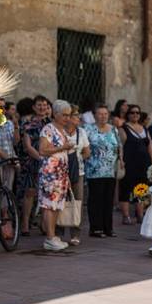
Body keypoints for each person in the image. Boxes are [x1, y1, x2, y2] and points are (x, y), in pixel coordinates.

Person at [37, 100, 75, 252]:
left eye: (69, 115)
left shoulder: (63, 130)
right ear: (55, 114)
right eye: (64, 115)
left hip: (61, 172)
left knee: (57, 205)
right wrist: (63, 147)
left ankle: (52, 237)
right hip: (50, 172)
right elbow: (42, 150)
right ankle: (50, 237)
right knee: (49, 205)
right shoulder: (48, 129)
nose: (67, 118)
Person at [84, 104, 122, 238]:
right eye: (100, 114)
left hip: (110, 170)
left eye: (105, 114)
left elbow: (119, 146)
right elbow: (84, 147)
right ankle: (95, 228)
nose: (103, 116)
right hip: (94, 169)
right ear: (94, 116)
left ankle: (108, 228)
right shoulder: (88, 129)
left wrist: (121, 161)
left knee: (108, 200)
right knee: (96, 199)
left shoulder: (113, 129)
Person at [18, 96, 51, 236]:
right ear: (34, 107)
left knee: (45, 193)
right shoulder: (28, 124)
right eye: (39, 105)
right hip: (32, 161)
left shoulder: (51, 123)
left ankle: (45, 224)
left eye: (44, 105)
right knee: (30, 192)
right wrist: (40, 158)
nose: (42, 107)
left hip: (49, 162)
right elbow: (27, 146)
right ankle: (25, 223)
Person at [118, 104, 152, 224]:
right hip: (129, 163)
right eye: (132, 113)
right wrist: (121, 160)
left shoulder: (144, 128)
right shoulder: (123, 128)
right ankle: (126, 216)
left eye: (137, 113)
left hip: (143, 164)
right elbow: (120, 146)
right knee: (126, 188)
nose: (135, 115)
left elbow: (149, 145)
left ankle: (140, 215)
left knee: (141, 189)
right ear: (128, 115)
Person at [61, 105, 90, 246]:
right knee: (60, 201)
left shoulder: (82, 132)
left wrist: (78, 158)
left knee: (77, 202)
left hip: (78, 171)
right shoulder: (60, 132)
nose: (79, 118)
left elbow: (87, 152)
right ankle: (58, 233)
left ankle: (75, 234)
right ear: (69, 118)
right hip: (60, 172)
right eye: (76, 115)